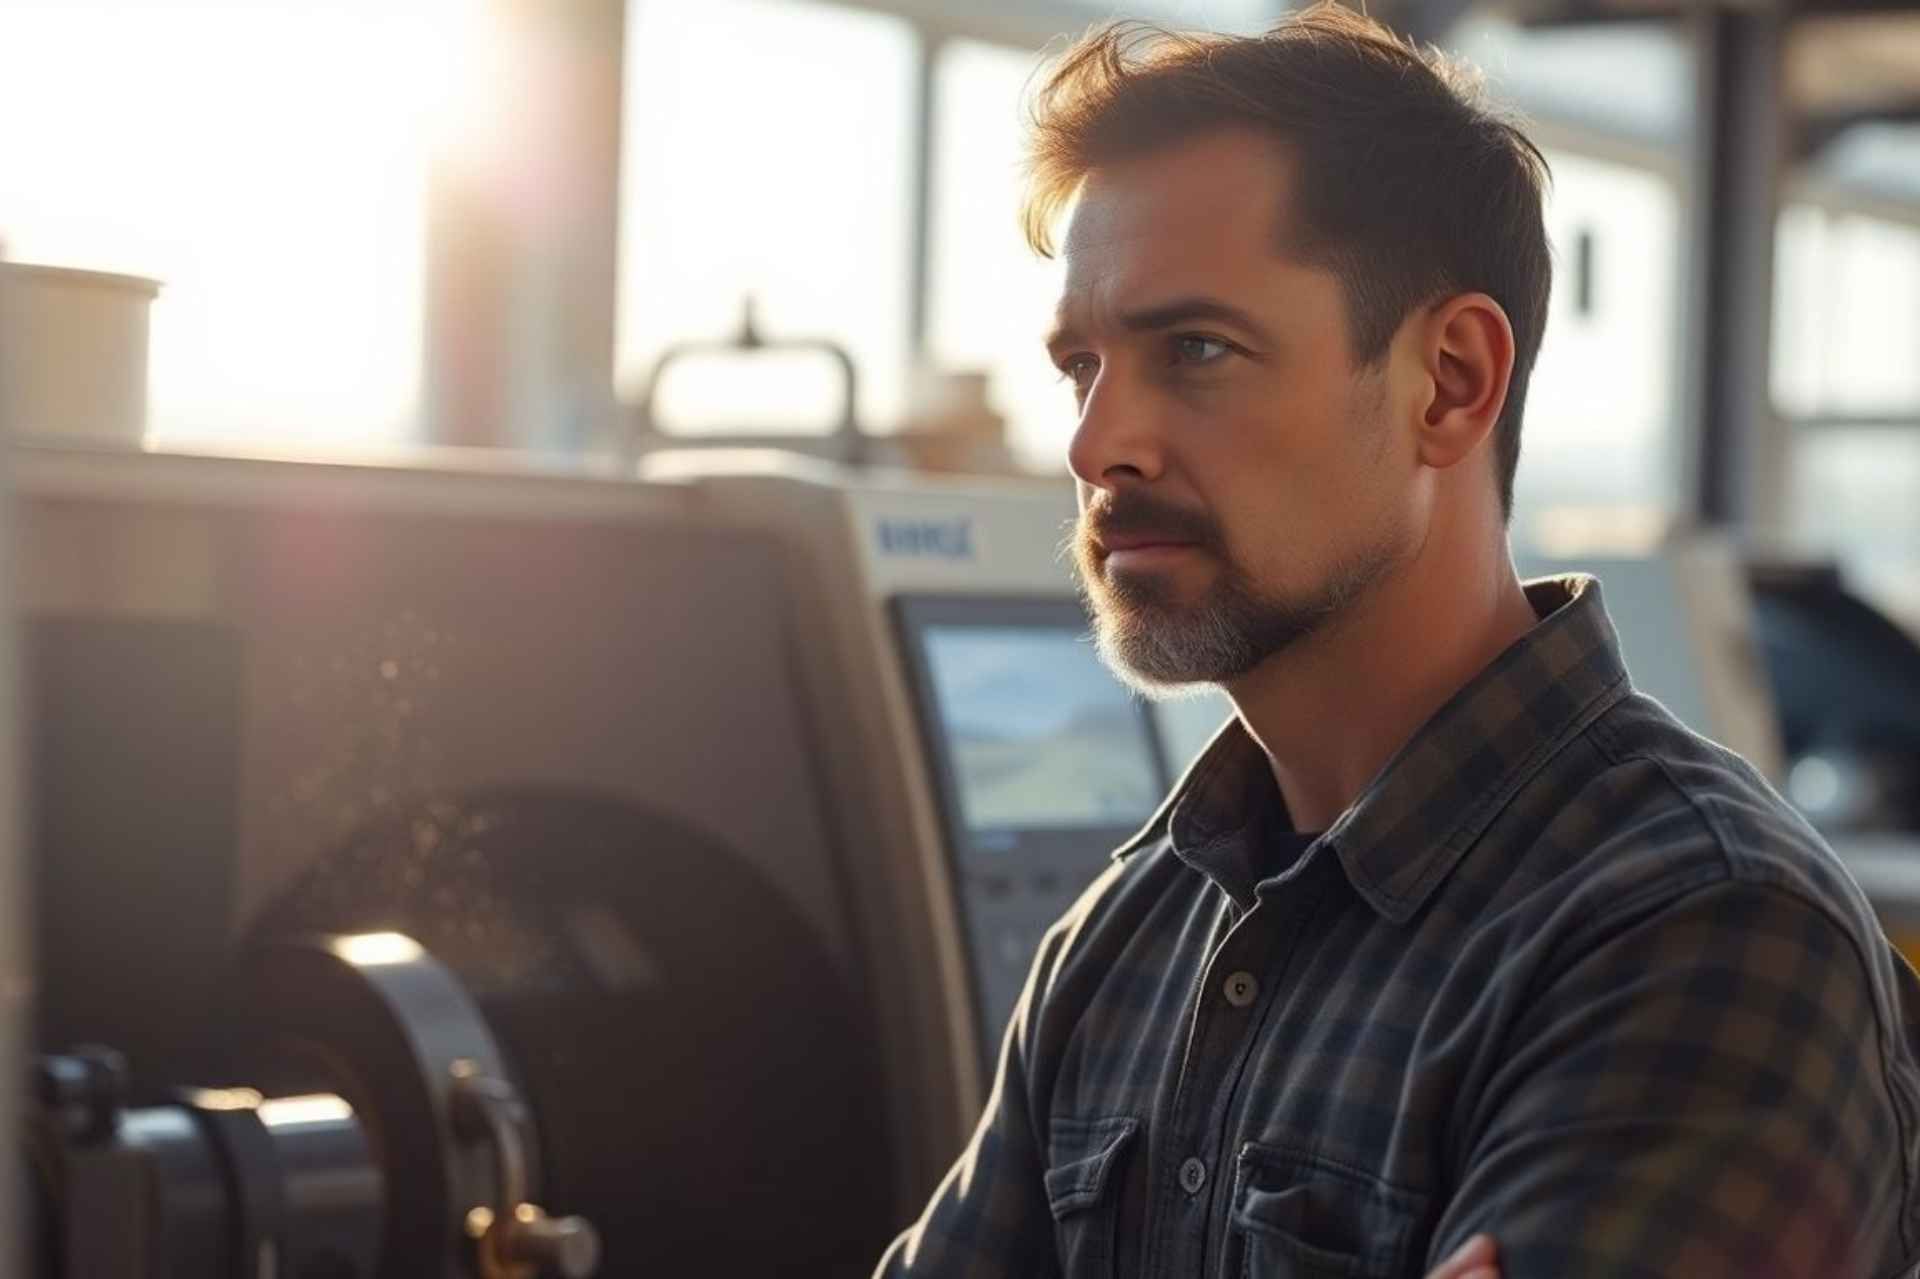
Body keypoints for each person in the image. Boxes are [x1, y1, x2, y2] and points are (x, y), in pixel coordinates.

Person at [873, 5, 1920, 1277]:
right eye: (1081, 367)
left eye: (1196, 350)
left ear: (1451, 381)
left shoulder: (1704, 929)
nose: (1099, 446)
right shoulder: (1124, 938)